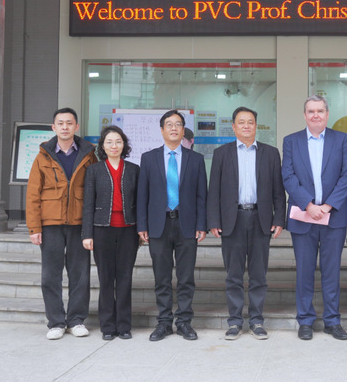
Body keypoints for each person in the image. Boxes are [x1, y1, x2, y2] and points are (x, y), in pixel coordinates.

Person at [207, 106, 287, 341]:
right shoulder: (222, 153)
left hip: (261, 219)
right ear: (233, 127)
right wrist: (214, 220)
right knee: (233, 274)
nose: (246, 126)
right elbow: (214, 191)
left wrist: (279, 219)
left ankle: (256, 321)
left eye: (250, 122)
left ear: (256, 126)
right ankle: (234, 322)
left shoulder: (270, 153)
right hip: (232, 220)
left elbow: (278, 191)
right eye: (241, 122)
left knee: (258, 274)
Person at [281, 95, 347, 341]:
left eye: (320, 111)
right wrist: (309, 205)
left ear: (327, 114)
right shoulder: (291, 141)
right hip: (304, 216)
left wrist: (328, 205)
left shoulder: (340, 139)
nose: (315, 115)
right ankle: (305, 320)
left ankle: (332, 321)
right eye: (311, 111)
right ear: (304, 115)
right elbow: (288, 176)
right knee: (304, 271)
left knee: (331, 272)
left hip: (333, 218)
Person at [26, 107, 97, 340]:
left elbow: (95, 191)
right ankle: (56, 322)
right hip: (50, 224)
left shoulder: (88, 155)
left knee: (80, 274)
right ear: (53, 127)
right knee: (50, 275)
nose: (65, 127)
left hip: (79, 223)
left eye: (69, 123)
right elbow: (33, 194)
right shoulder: (42, 157)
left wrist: (92, 226)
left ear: (76, 126)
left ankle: (76, 320)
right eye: (60, 123)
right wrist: (34, 228)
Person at [137, 110, 208, 342]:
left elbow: (202, 195)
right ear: (162, 130)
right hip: (158, 225)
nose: (174, 128)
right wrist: (142, 225)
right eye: (169, 124)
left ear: (183, 130)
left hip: (187, 225)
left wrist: (202, 224)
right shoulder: (149, 158)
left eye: (178, 124)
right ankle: (164, 323)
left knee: (186, 277)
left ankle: (184, 322)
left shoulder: (195, 159)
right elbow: (142, 195)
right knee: (162, 277)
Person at [82, 125, 140, 341]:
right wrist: (87, 234)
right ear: (103, 146)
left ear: (124, 145)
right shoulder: (94, 170)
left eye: (118, 141)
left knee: (124, 278)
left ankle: (124, 325)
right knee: (105, 278)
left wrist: (141, 230)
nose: (114, 146)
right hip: (101, 230)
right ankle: (107, 326)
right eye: (109, 142)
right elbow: (88, 204)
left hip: (128, 230)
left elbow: (140, 202)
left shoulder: (134, 170)